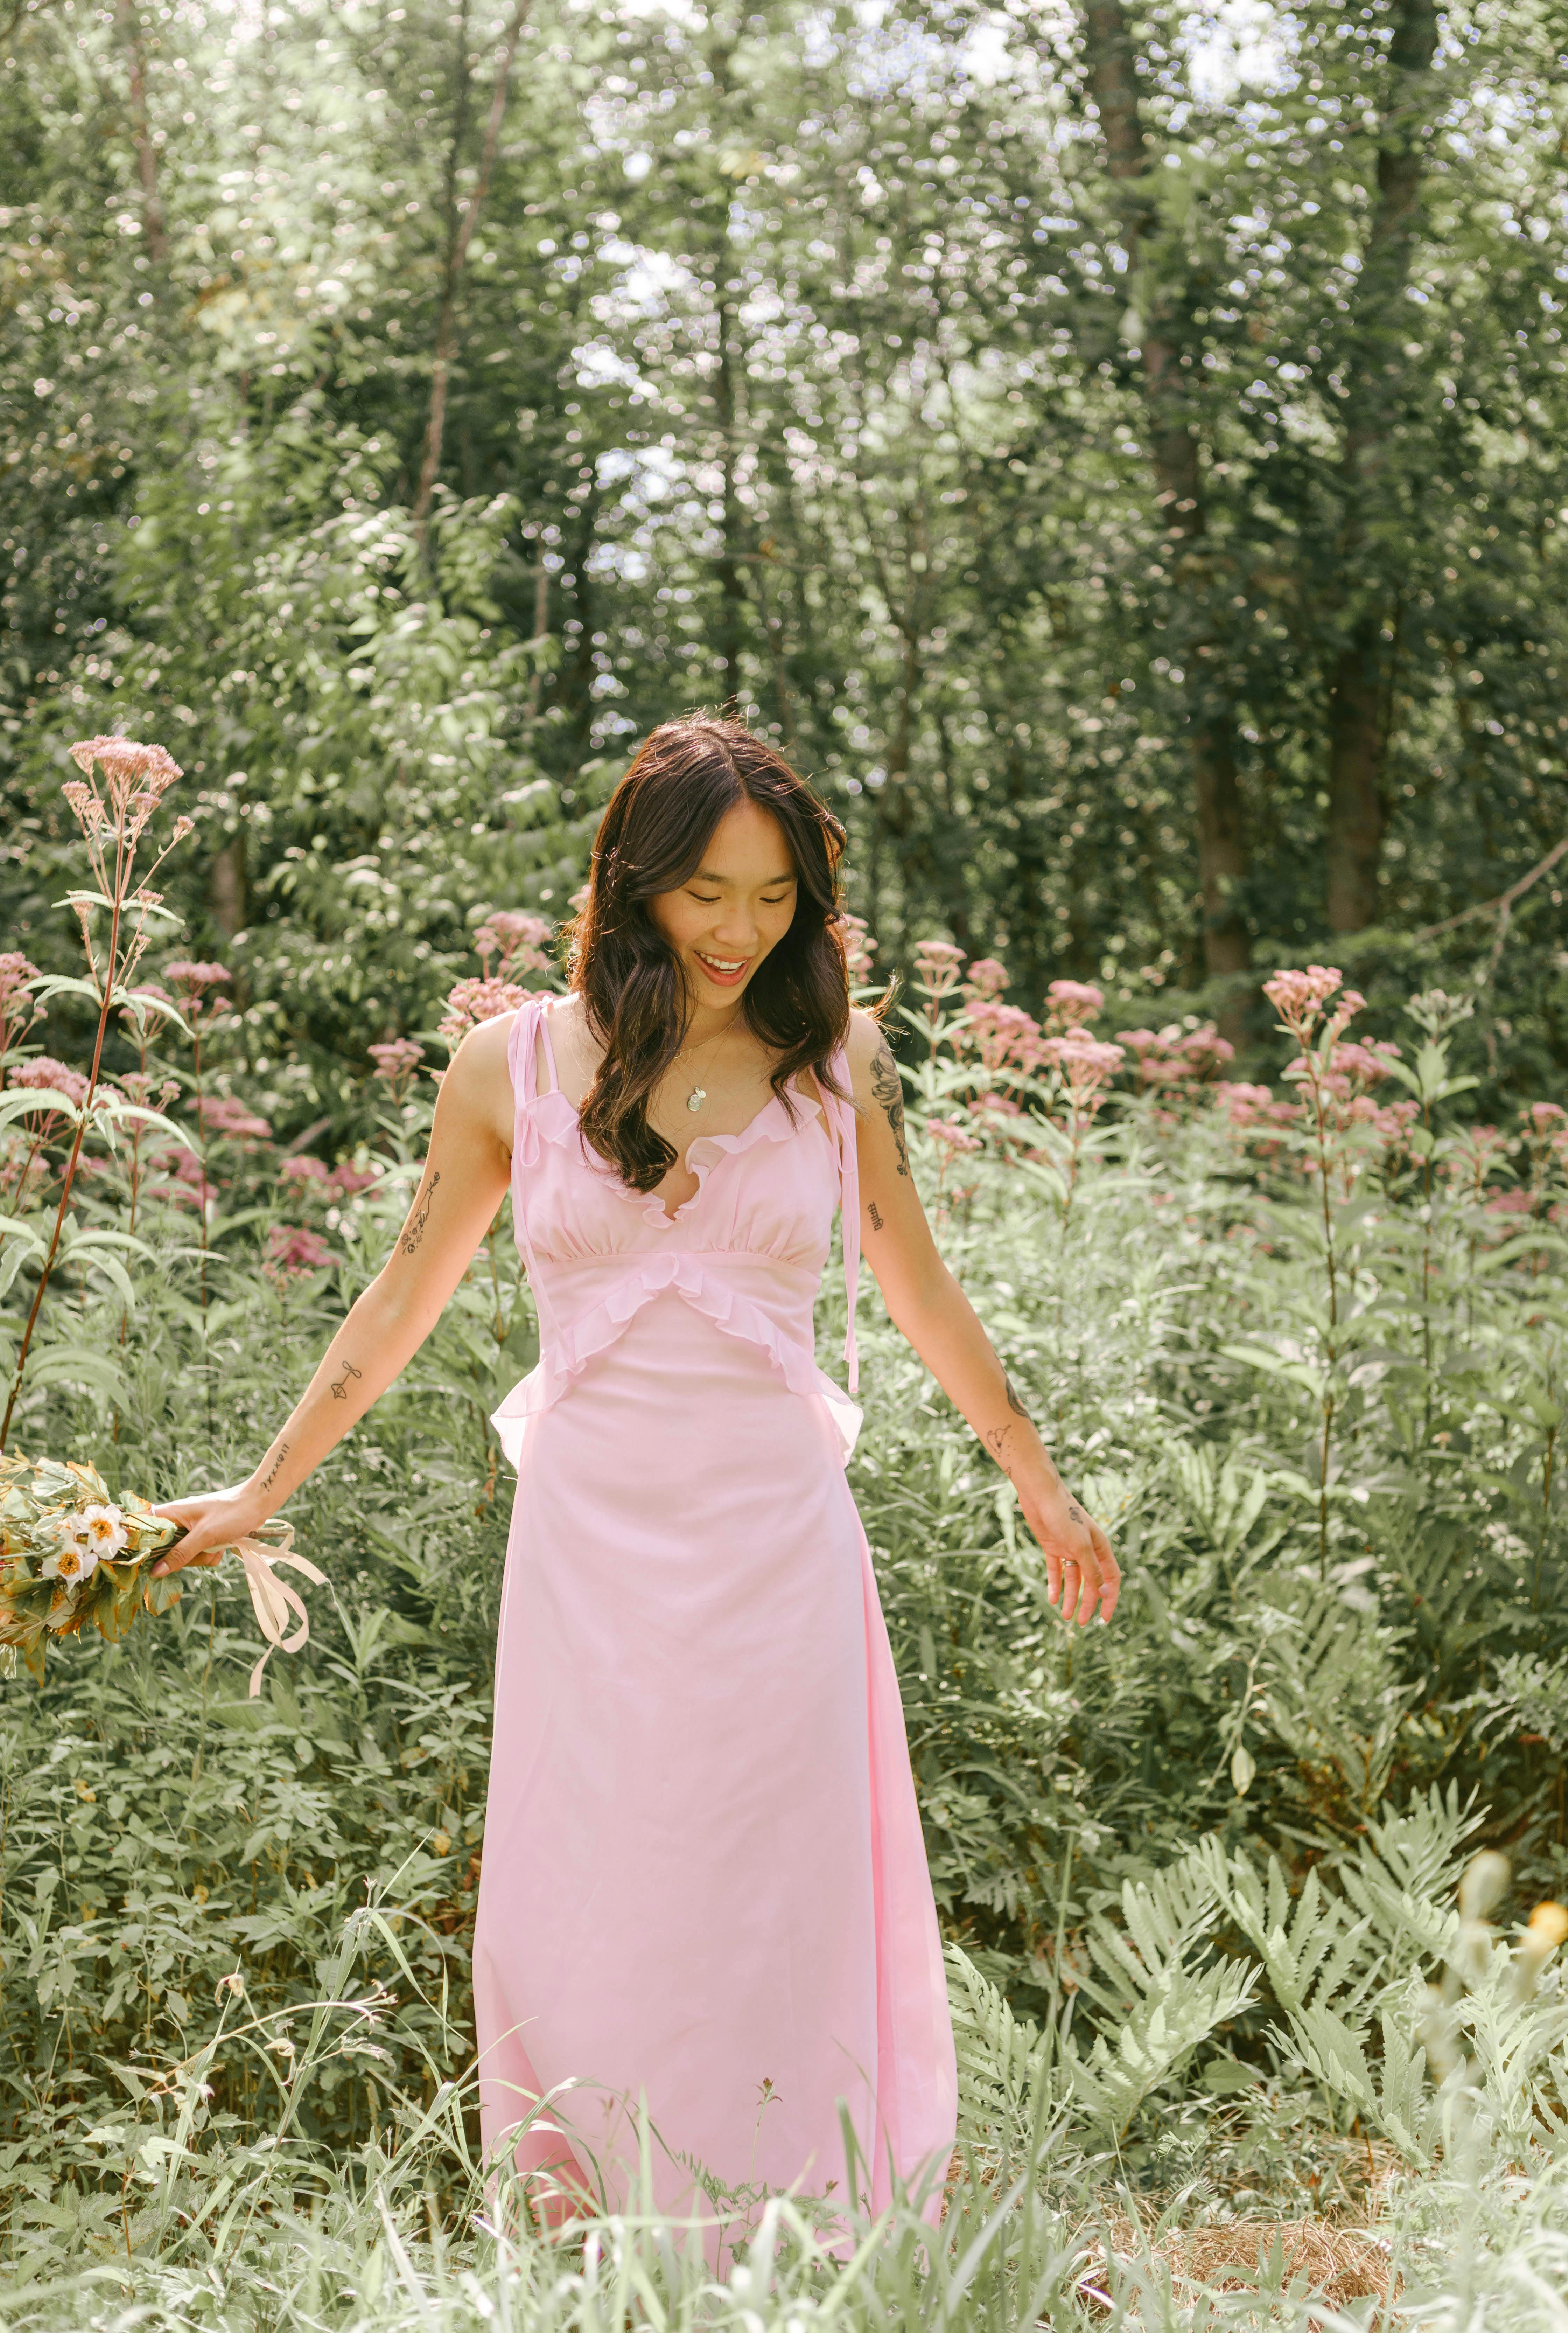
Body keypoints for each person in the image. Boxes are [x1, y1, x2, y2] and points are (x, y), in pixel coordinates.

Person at [157, 715, 1121, 2238]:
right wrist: (260, 1494)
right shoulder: (511, 1066)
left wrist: (1038, 1479)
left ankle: (806, 2232)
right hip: (589, 1561)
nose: (743, 930)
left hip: (776, 1558)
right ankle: (607, 2234)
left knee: (775, 1903)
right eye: (707, 892)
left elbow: (922, 1291)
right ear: (635, 881)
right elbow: (399, 1299)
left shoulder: (837, 1064)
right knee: (593, 1897)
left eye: (776, 895)